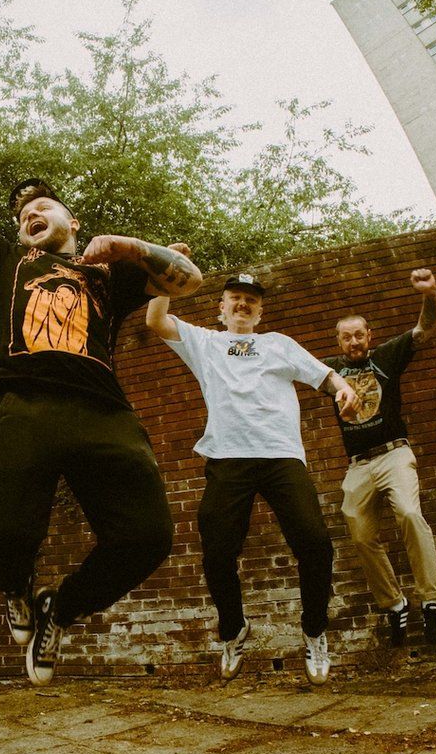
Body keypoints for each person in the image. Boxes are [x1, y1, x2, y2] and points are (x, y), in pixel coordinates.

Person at [0, 142, 202, 686]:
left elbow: (189, 278)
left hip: (102, 411)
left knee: (148, 537)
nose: (30, 215)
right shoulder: (9, 261)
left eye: (43, 207)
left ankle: (59, 609)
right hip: (25, 401)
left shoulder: (107, 274)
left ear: (73, 222)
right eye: (23, 216)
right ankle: (16, 586)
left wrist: (132, 247)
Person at [147, 269, 360, 684]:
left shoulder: (278, 343)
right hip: (228, 458)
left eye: (251, 300)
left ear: (260, 312)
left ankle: (314, 631)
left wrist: (343, 388)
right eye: (236, 298)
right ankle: (233, 630)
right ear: (222, 308)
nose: (243, 304)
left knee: (315, 544)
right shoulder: (205, 342)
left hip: (281, 456)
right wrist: (164, 269)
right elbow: (156, 320)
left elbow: (323, 375)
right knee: (217, 552)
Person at [322, 267, 436, 647]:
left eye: (359, 335)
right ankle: (395, 604)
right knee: (359, 532)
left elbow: (424, 329)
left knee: (409, 514)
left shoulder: (387, 357)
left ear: (369, 336)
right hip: (358, 464)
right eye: (346, 337)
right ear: (339, 341)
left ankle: (430, 601)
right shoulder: (331, 371)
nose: (354, 342)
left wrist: (429, 295)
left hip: (394, 454)